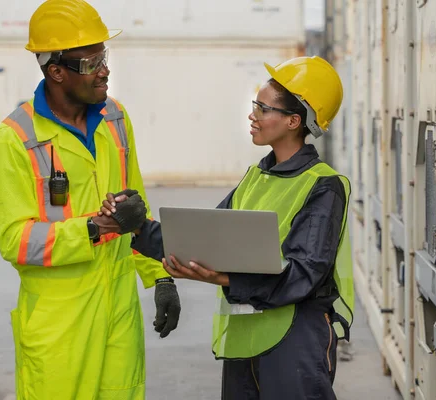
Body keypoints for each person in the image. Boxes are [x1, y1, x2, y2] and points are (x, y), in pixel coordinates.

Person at [101, 56, 355, 399]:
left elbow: (304, 274)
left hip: (297, 338)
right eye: (255, 105)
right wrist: (137, 227)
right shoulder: (256, 177)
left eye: (263, 108)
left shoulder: (324, 186)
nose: (253, 115)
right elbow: (206, 241)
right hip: (246, 334)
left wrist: (224, 279)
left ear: (294, 120)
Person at [0, 1, 181, 399]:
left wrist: (160, 276)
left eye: (103, 57)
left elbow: (134, 211)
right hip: (60, 329)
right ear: (56, 71)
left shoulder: (116, 120)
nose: (104, 70)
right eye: (91, 63)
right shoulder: (13, 141)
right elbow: (15, 240)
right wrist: (94, 228)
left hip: (118, 318)